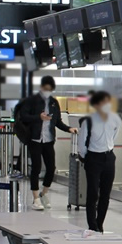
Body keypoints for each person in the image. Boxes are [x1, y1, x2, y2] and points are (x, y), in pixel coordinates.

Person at [17, 75, 76, 210]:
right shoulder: (32, 101)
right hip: (35, 139)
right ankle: (35, 198)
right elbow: (24, 116)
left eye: (50, 89)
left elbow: (58, 121)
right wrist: (39, 117)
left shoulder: (54, 103)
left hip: (48, 140)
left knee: (51, 168)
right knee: (36, 167)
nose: (47, 91)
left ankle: (44, 193)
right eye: (46, 88)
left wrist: (68, 129)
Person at [77, 90, 122, 233]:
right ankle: (92, 225)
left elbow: (115, 135)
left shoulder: (115, 118)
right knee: (93, 193)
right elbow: (82, 143)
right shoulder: (88, 121)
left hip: (109, 157)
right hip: (93, 158)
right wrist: (85, 157)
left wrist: (108, 147)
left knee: (105, 194)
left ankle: (99, 224)